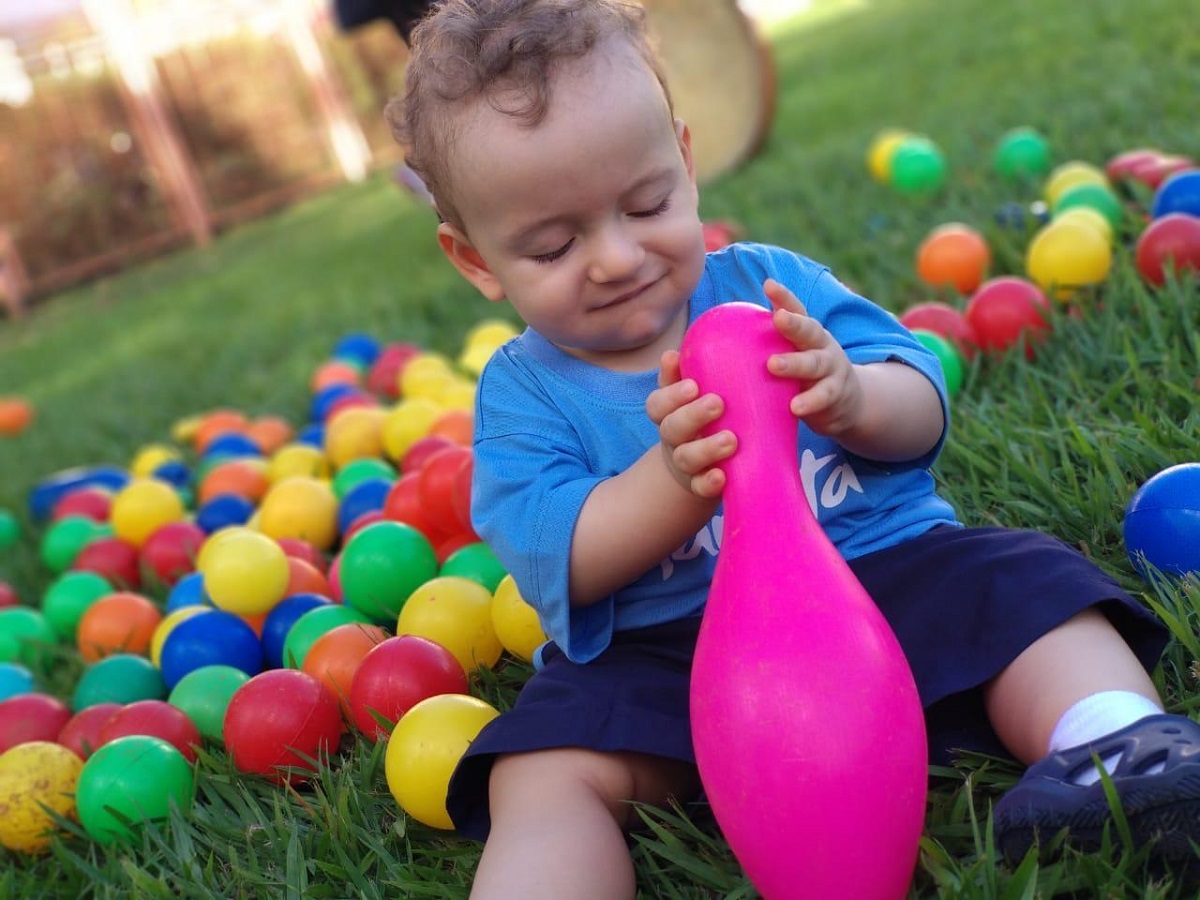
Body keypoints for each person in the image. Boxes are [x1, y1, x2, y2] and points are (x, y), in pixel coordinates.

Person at [385, 1, 1200, 895]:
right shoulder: (523, 392)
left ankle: (1116, 745)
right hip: (672, 657)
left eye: (647, 203)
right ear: (475, 260)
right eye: (553, 245)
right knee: (540, 767)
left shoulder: (774, 288)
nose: (616, 256)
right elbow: (561, 561)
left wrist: (854, 396)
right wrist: (673, 482)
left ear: (686, 163)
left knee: (1028, 591)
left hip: (884, 581)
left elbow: (922, 404)